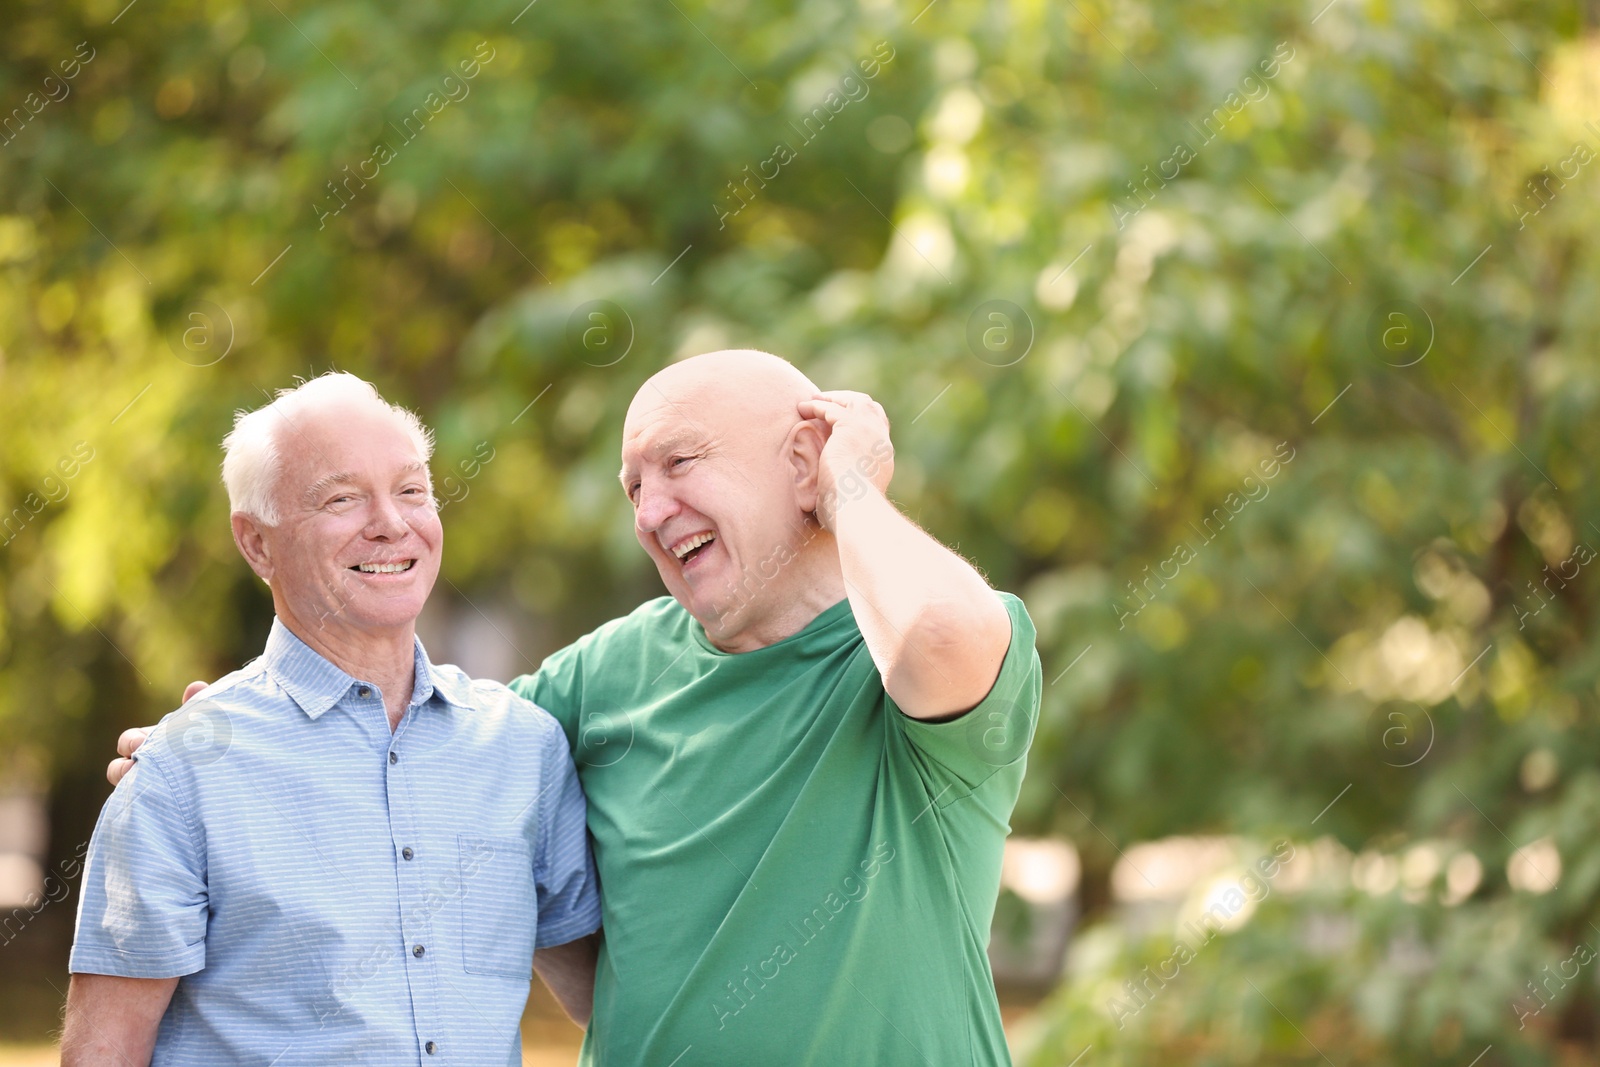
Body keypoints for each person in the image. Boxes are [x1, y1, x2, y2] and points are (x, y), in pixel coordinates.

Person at [112, 350, 1042, 1065]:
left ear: (804, 461)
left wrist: (852, 484)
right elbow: (412, 745)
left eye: (680, 463)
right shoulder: (605, 675)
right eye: (635, 485)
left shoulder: (928, 646)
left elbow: (930, 635)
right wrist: (229, 744)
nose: (649, 508)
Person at [69, 373, 601, 1066]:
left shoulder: (523, 748)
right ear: (258, 544)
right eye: (343, 498)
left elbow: (607, 995)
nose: (391, 522)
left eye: (412, 490)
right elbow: (101, 1055)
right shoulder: (183, 770)